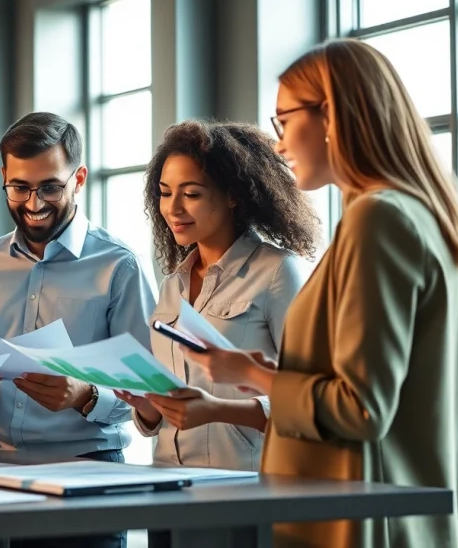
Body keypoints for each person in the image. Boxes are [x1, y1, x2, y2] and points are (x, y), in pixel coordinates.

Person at [185, 39, 458, 548]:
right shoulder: (415, 215)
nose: (278, 145)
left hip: (359, 524)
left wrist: (251, 374)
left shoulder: (379, 219)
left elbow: (361, 408)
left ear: (333, 115)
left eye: (284, 121)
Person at [0, 112, 157, 548]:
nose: (34, 202)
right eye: (19, 187)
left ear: (78, 178)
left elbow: (147, 386)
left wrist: (86, 396)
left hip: (87, 474)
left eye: (50, 187)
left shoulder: (118, 266)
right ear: (4, 176)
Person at [118, 121, 318, 472]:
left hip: (243, 487)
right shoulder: (172, 284)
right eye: (165, 193)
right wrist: (147, 405)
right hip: (167, 484)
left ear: (232, 195)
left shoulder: (277, 272)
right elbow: (165, 416)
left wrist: (217, 408)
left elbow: (308, 400)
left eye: (191, 194)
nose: (173, 209)